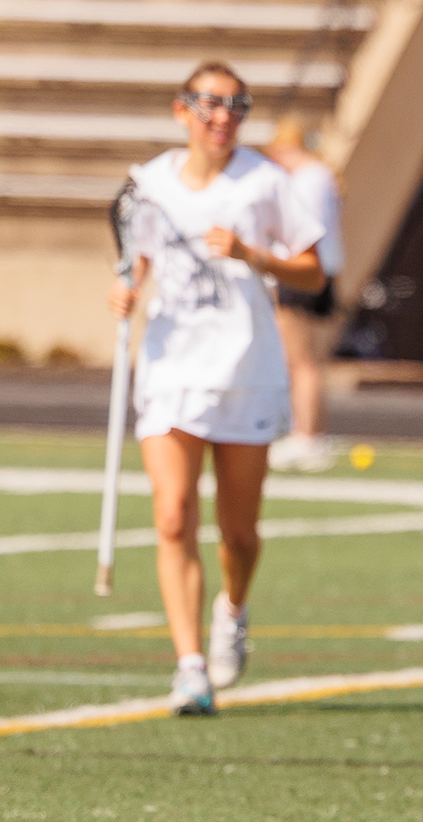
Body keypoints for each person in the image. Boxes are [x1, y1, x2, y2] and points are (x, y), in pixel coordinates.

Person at [105, 61, 326, 714]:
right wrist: (124, 287)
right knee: (173, 514)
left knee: (239, 533)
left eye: (236, 106)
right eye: (209, 105)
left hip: (243, 367)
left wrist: (254, 256)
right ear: (182, 111)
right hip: (172, 364)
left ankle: (232, 609)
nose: (222, 118)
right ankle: (190, 665)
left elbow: (314, 272)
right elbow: (136, 257)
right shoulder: (148, 183)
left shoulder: (264, 181)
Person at [261, 118, 346, 474]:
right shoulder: (322, 176)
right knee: (307, 359)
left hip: (302, 272)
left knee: (299, 359)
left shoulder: (307, 179)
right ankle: (311, 431)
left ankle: (306, 434)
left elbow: (301, 230)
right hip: (321, 270)